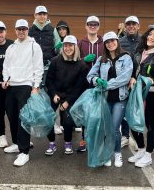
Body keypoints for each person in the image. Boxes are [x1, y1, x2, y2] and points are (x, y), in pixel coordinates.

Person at [87, 31, 133, 167]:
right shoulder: (102, 59)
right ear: (105, 45)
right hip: (105, 99)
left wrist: (107, 84)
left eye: (113, 41)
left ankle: (117, 154)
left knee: (114, 128)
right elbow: (90, 75)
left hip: (120, 98)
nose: (110, 44)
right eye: (107, 42)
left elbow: (125, 77)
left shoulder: (126, 57)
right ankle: (107, 154)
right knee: (106, 128)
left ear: (117, 42)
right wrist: (97, 80)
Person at [2, 19, 43, 166]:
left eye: (24, 29)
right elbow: (6, 66)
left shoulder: (34, 46)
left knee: (23, 119)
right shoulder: (11, 47)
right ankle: (16, 143)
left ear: (28, 30)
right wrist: (5, 79)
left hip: (26, 85)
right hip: (11, 86)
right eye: (19, 29)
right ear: (15, 30)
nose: (21, 31)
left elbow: (39, 67)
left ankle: (24, 152)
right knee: (12, 116)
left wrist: (36, 86)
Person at [127, 24, 154, 168]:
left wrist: (152, 80)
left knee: (150, 124)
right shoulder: (139, 51)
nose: (152, 37)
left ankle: (148, 155)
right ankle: (140, 149)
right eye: (151, 34)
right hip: (136, 92)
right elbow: (134, 69)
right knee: (133, 120)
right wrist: (132, 77)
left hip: (151, 94)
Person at [44, 35, 88, 155]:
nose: (68, 48)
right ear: (63, 47)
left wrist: (67, 101)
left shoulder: (81, 65)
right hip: (55, 94)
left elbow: (79, 87)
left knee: (67, 121)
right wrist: (53, 94)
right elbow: (49, 80)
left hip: (70, 96)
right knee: (48, 119)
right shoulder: (55, 61)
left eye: (70, 45)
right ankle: (52, 143)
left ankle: (67, 143)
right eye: (65, 45)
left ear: (75, 47)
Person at [76, 15, 104, 152]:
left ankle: (99, 140)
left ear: (98, 26)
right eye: (90, 24)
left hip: (100, 83)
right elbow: (74, 61)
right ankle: (84, 138)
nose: (92, 26)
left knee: (100, 112)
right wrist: (83, 60)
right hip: (84, 83)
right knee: (86, 111)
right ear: (86, 26)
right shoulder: (80, 43)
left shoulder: (105, 43)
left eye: (95, 24)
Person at [119, 16, 141, 148]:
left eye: (134, 24)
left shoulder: (144, 40)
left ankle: (139, 140)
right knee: (124, 110)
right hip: (125, 81)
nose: (131, 26)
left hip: (139, 80)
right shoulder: (121, 41)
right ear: (125, 26)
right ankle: (125, 136)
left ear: (138, 26)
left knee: (137, 111)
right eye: (128, 24)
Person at [28, 5, 61, 87]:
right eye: (39, 14)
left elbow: (58, 49)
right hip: (33, 68)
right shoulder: (29, 31)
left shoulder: (53, 30)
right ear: (35, 15)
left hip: (48, 67)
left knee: (48, 89)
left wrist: (59, 49)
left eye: (44, 14)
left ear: (47, 16)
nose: (42, 16)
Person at [54, 20, 71, 134]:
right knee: (58, 99)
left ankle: (70, 123)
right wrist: (56, 48)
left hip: (70, 73)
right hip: (58, 73)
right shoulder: (55, 41)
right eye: (59, 29)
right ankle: (56, 124)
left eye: (64, 29)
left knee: (69, 98)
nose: (62, 31)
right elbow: (53, 55)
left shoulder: (71, 40)